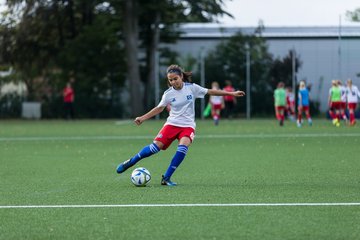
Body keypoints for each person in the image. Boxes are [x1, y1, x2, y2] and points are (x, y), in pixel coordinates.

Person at [116, 64, 245, 186]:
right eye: (170, 80)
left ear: (181, 77)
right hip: (171, 124)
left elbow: (211, 92)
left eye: (175, 79)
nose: (173, 82)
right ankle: (131, 162)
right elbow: (159, 108)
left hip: (188, 126)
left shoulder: (192, 88)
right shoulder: (168, 94)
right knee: (155, 148)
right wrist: (142, 118)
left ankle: (166, 178)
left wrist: (232, 94)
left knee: (183, 147)